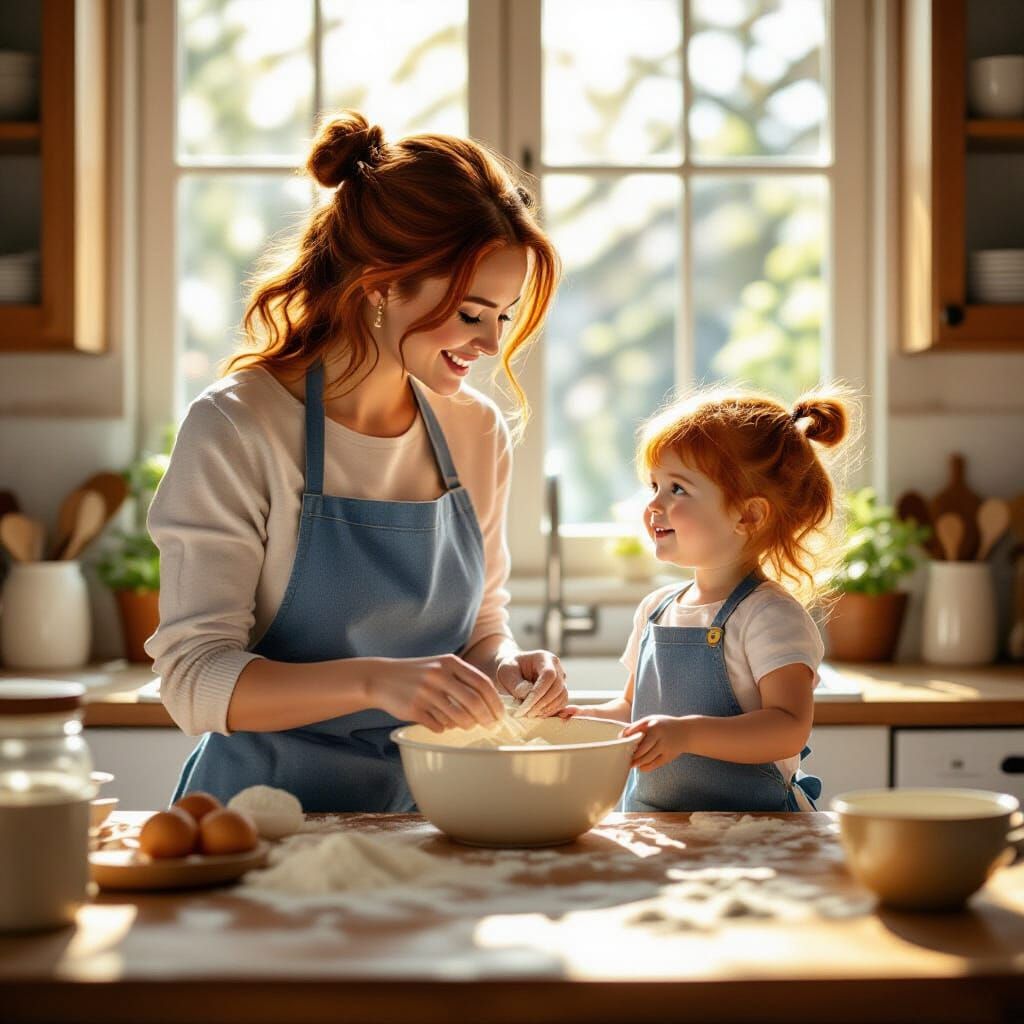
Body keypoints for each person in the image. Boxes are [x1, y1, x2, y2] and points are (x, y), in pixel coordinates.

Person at [145, 110, 569, 812]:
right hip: (259, 819)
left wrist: (510, 670)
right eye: (471, 314)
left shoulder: (473, 430)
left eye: (505, 313)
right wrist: (377, 682)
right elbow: (194, 677)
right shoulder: (238, 426)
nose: (493, 344)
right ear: (380, 283)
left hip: (427, 814)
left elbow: (481, 632)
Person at [559, 387, 855, 811]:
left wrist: (687, 733)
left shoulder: (769, 615)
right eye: (654, 485)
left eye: (677, 489)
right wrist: (576, 721)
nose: (654, 505)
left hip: (755, 834)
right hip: (658, 827)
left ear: (748, 515)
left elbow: (789, 727)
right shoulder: (657, 609)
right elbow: (632, 709)